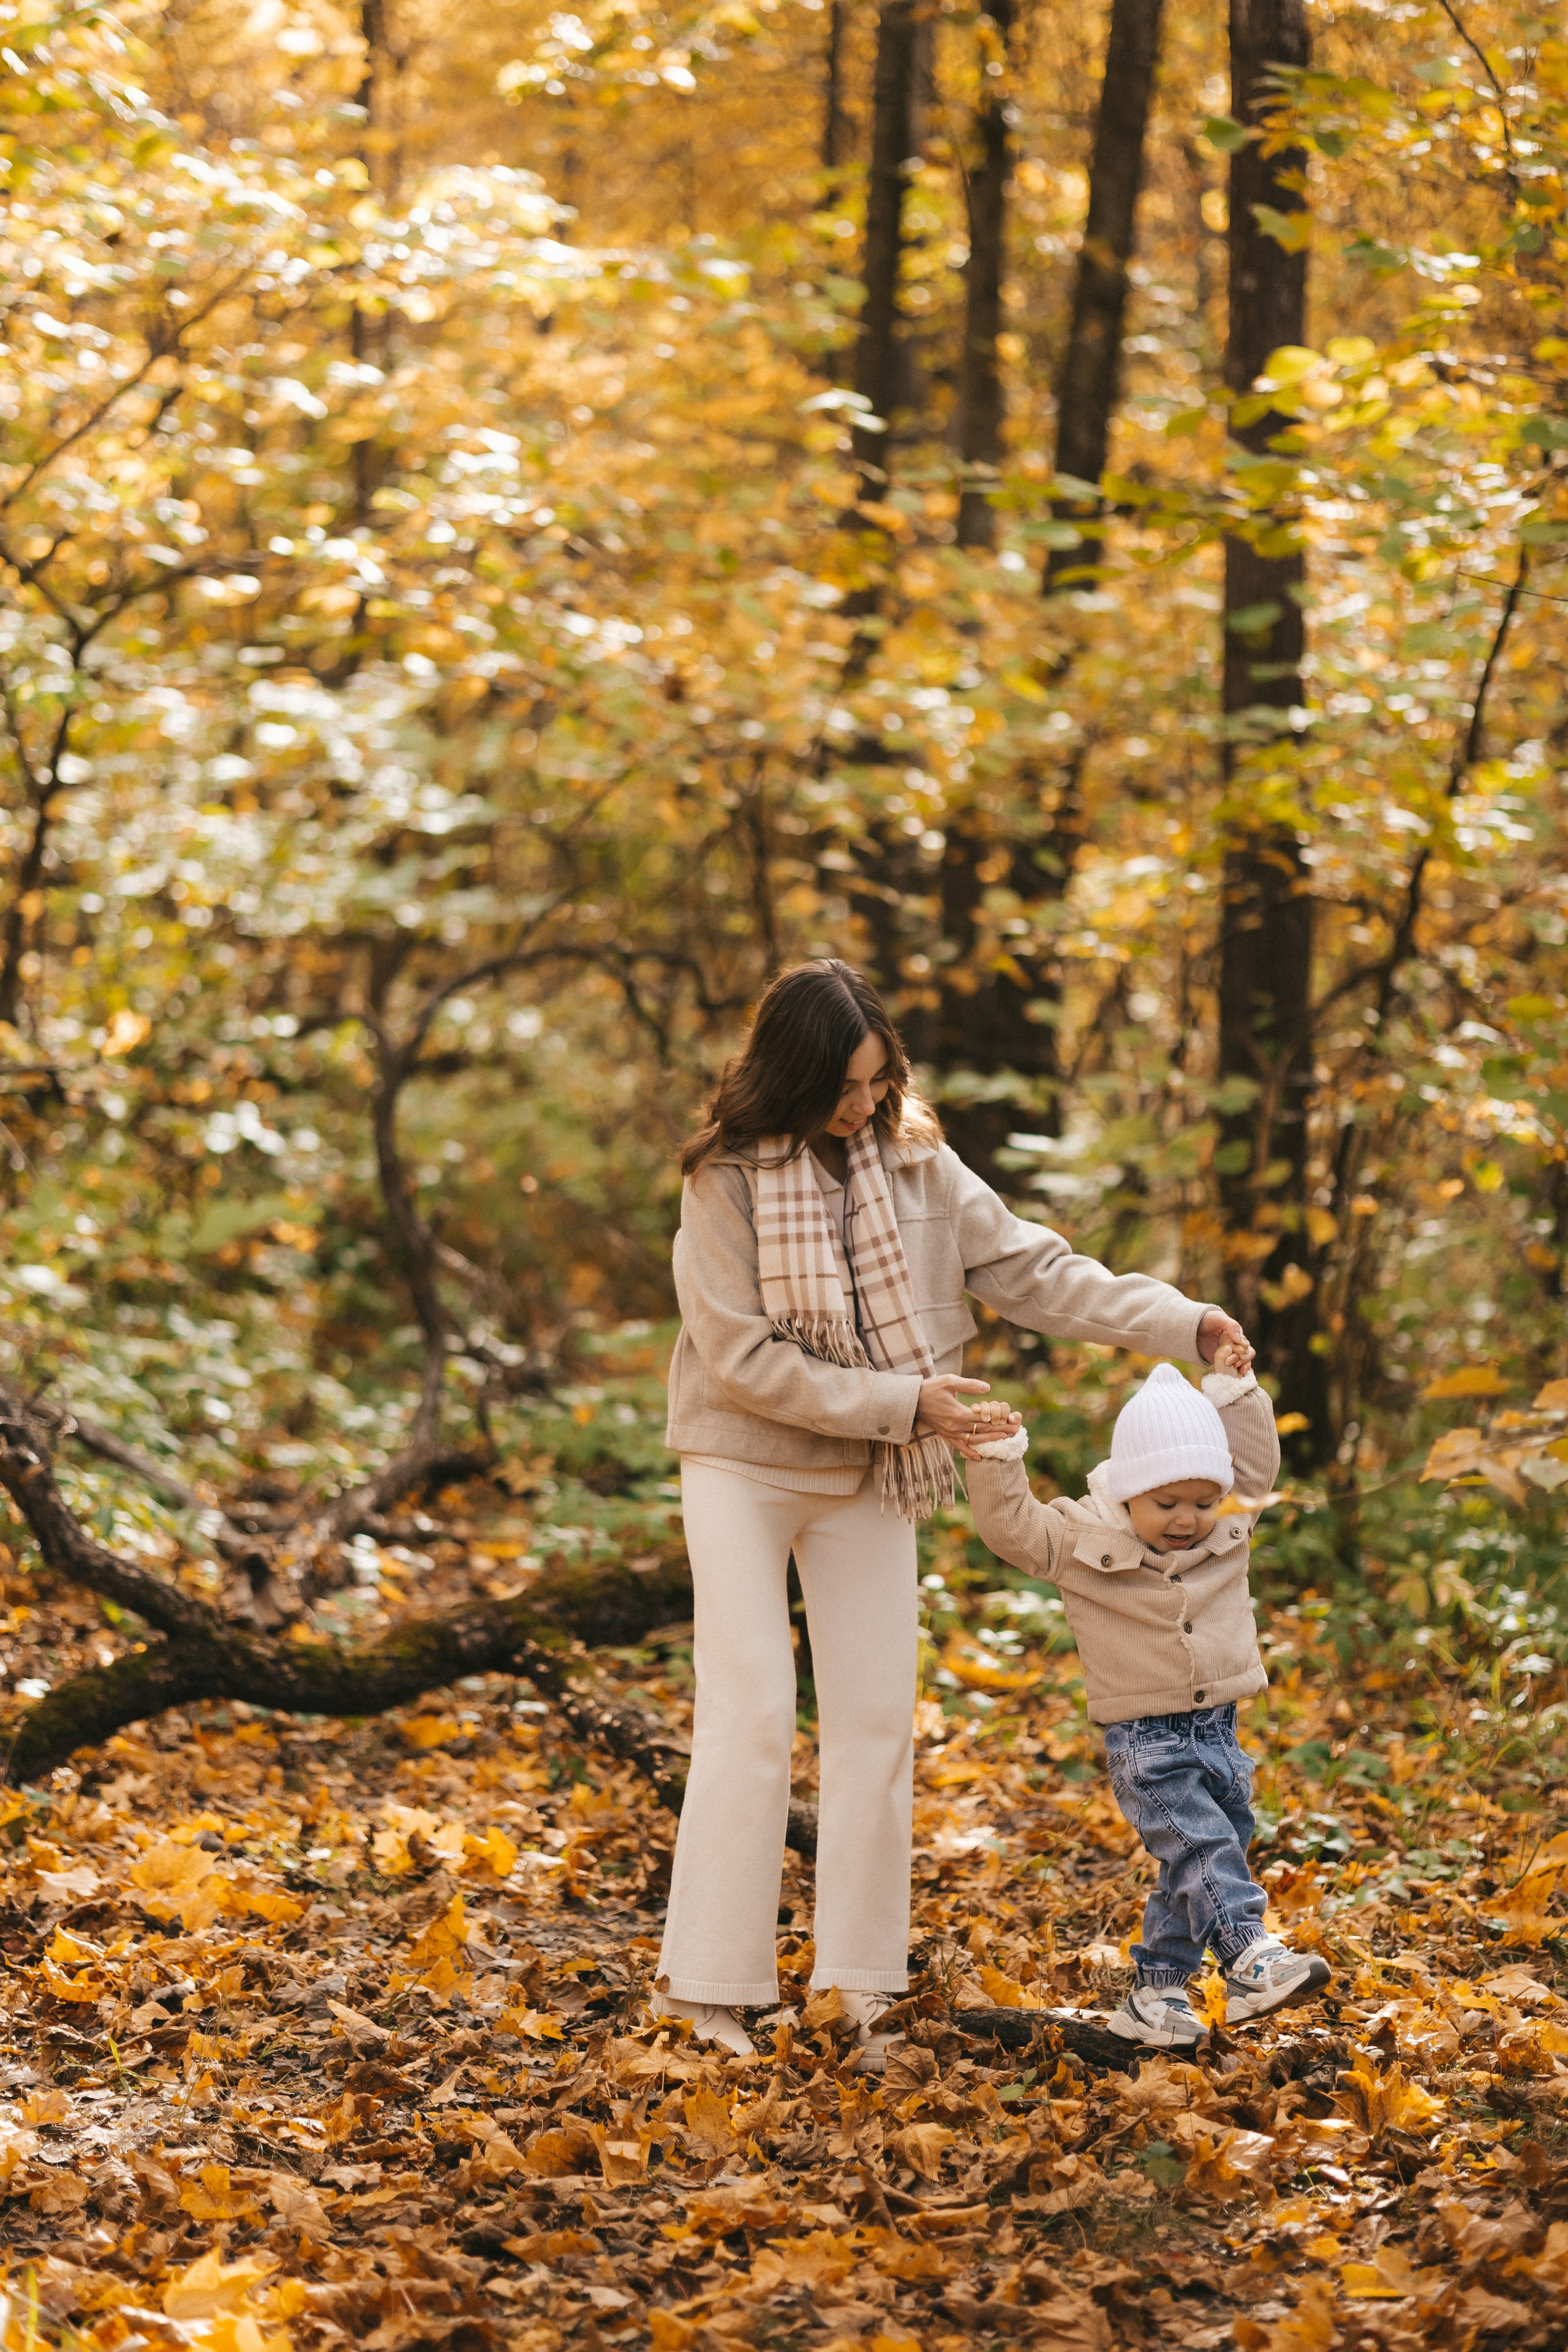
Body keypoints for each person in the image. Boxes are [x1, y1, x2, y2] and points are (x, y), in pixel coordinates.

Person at [651, 957, 1246, 2062]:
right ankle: (707, 1990)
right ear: (788, 1076)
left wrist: (1183, 1323)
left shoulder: (917, 1162)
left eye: (876, 1082)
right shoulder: (724, 1177)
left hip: (879, 1468)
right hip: (746, 1462)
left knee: (876, 1723)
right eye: (839, 1088)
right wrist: (906, 1402)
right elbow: (739, 1359)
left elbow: (1037, 1269)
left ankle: (859, 1990)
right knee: (752, 1713)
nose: (861, 1108)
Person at [960, 1340, 1332, 2050]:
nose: (1187, 1518)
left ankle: (1156, 1997)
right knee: (1201, 1848)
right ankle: (1249, 1957)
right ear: (1126, 1489)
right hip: (1147, 1740)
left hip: (1218, 1731)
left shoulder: (1226, 1533)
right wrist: (1000, 1457)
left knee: (1195, 1863)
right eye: (1166, 1502)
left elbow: (1255, 1467)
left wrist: (1234, 1392)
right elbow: (1010, 1529)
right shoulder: (1082, 1544)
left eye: (1202, 1499)